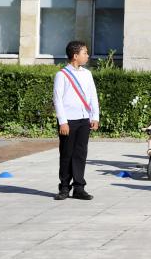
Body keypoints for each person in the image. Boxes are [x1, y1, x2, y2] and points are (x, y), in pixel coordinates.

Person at [53, 41, 99, 201]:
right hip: (68, 121)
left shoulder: (87, 74)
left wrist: (95, 116)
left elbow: (93, 96)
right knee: (67, 154)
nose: (87, 56)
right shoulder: (62, 75)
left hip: (84, 119)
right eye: (85, 53)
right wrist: (62, 121)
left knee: (80, 153)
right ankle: (64, 187)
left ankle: (79, 187)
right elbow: (57, 99)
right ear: (75, 56)